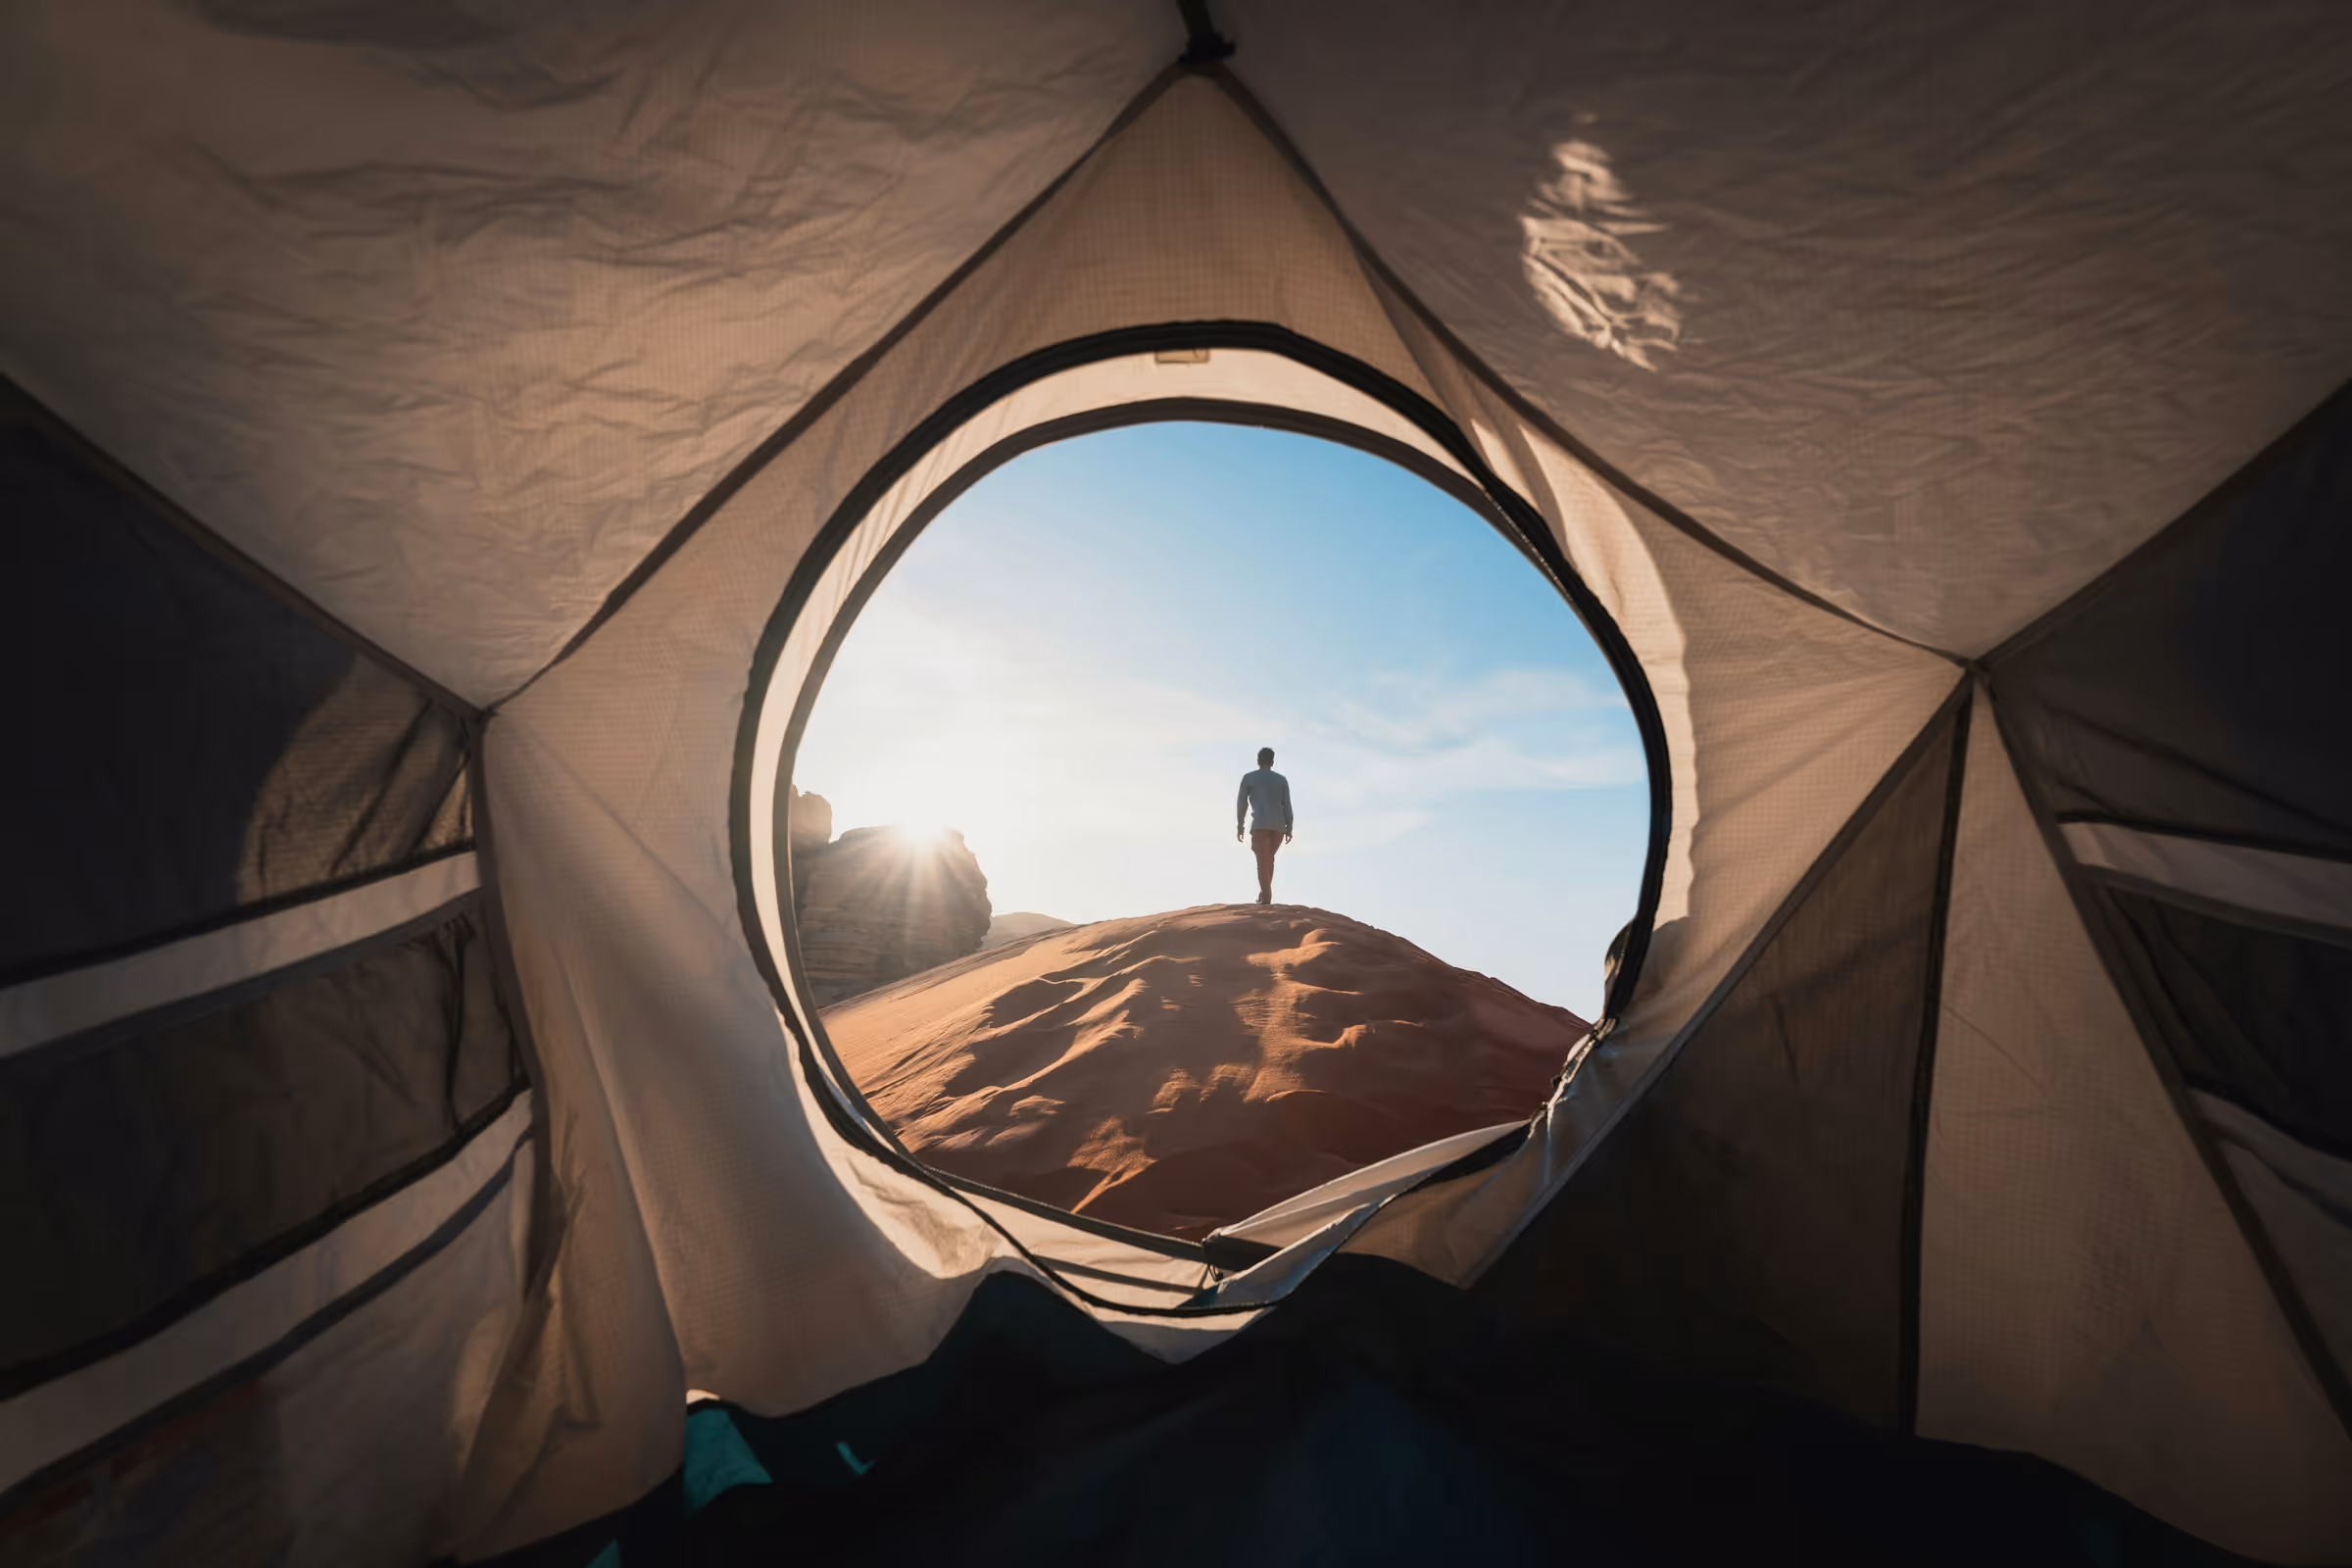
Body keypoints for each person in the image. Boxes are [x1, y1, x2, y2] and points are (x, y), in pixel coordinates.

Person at [1234, 747, 1294, 906]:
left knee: (1262, 862)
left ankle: (1266, 900)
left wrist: (1240, 825)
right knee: (1269, 860)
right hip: (1279, 826)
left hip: (1260, 824)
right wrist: (1290, 827)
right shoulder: (1281, 780)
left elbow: (1241, 804)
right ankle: (1263, 895)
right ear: (1272, 762)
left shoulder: (1249, 778)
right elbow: (1287, 805)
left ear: (1258, 760)